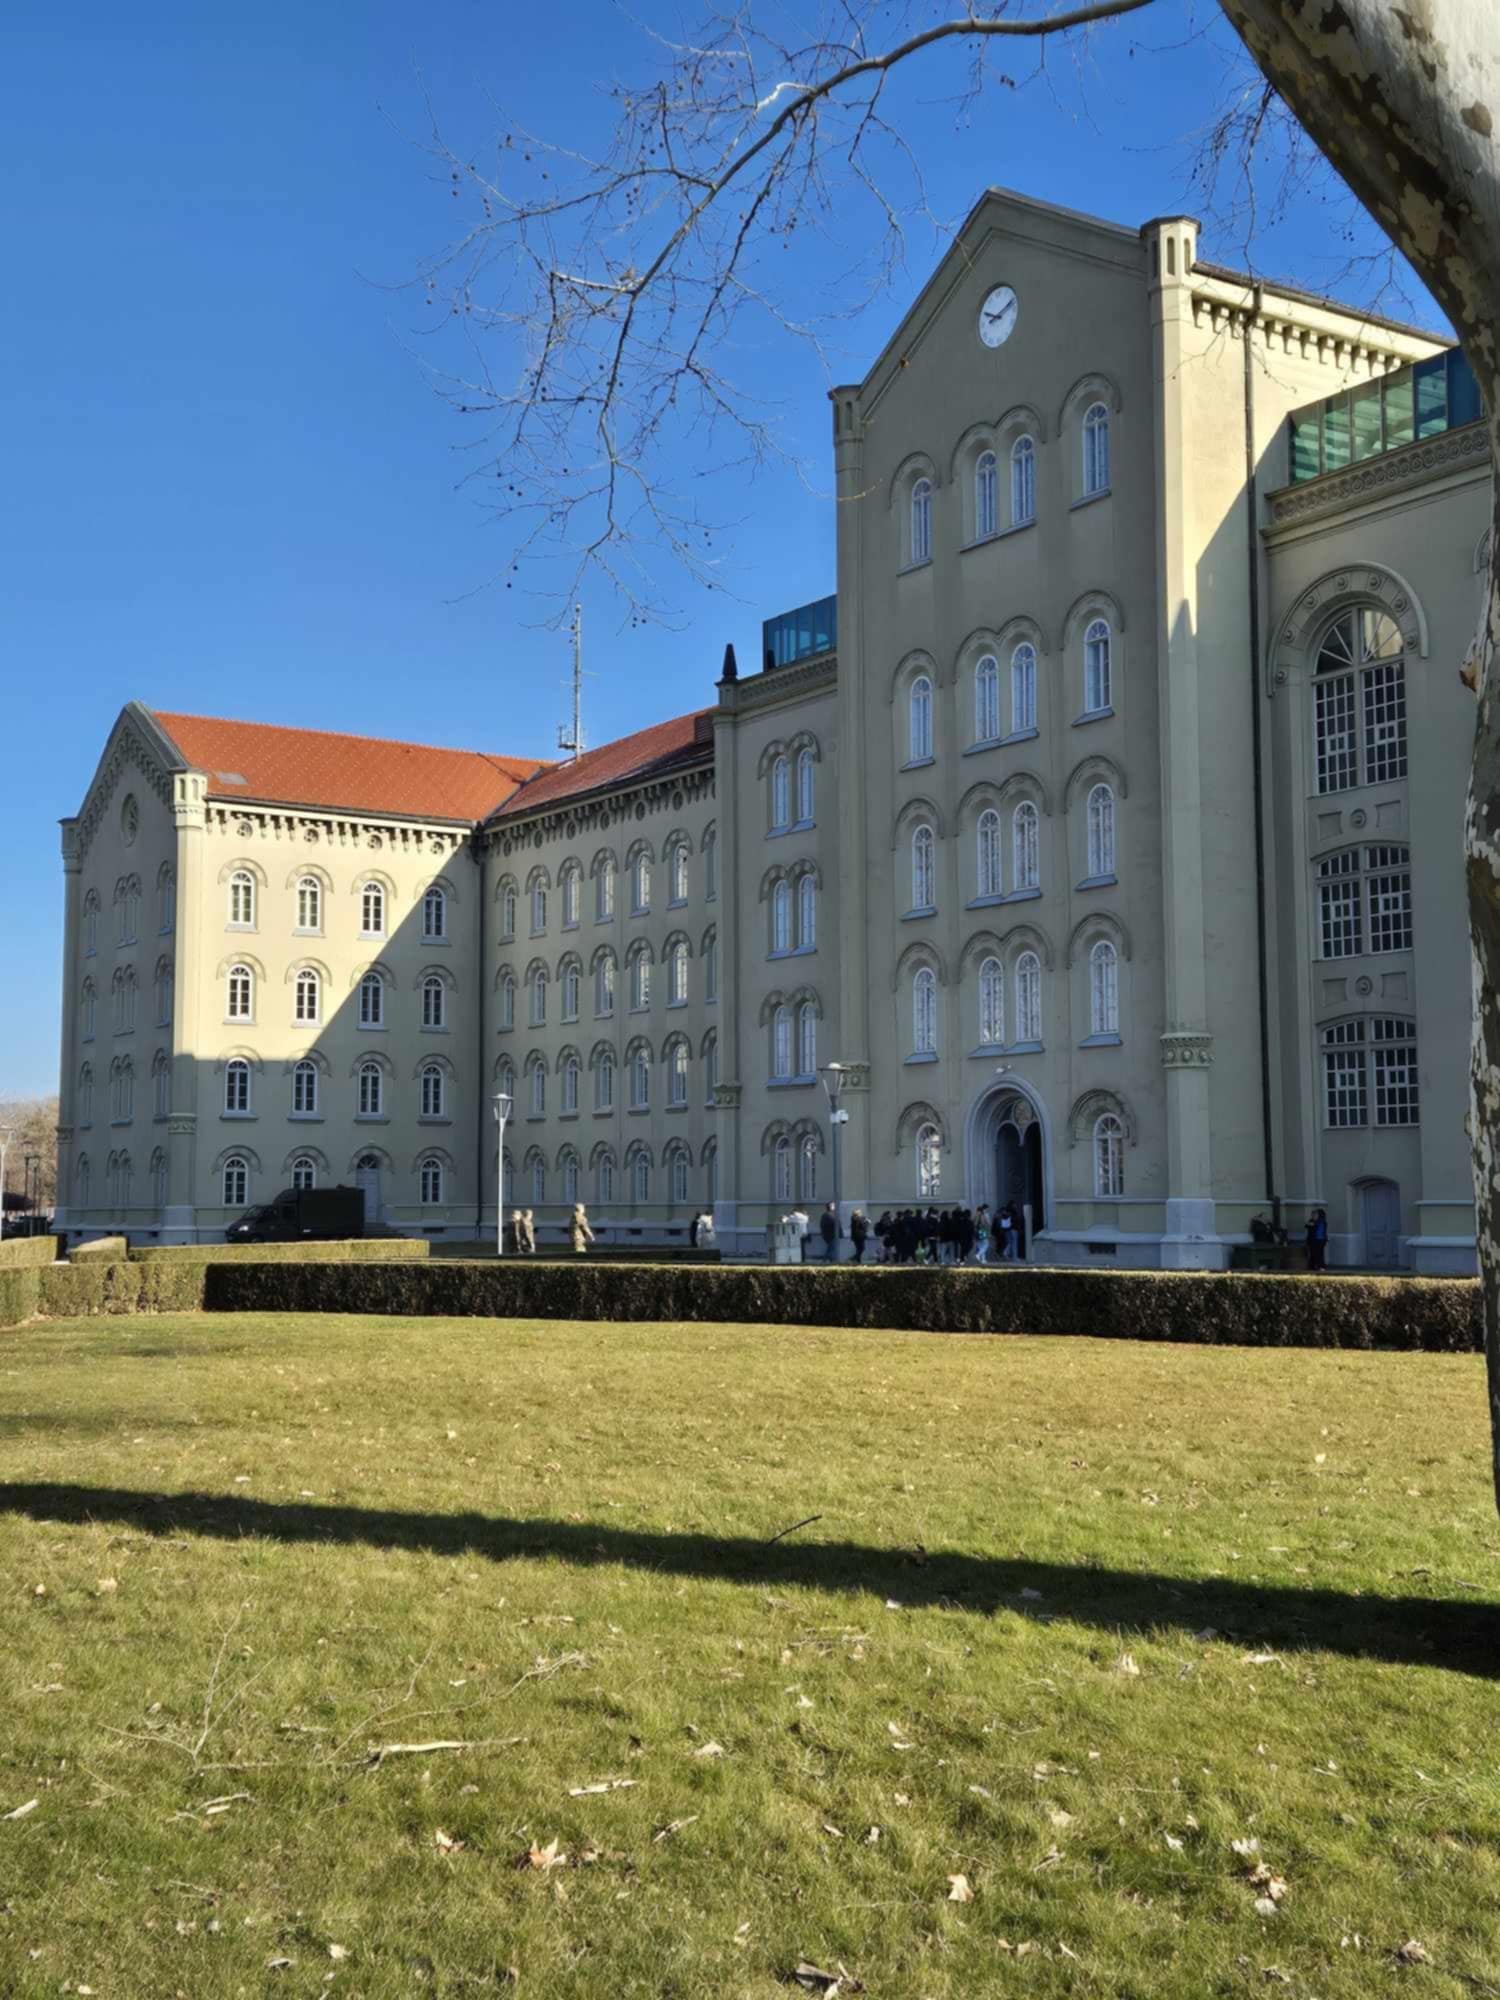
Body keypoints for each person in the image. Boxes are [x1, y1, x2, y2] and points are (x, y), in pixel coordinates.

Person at [1305, 1207, 1329, 1272]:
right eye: (1313, 1214)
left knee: (1318, 1254)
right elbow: (1307, 1225)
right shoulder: (1313, 1221)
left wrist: (1311, 1224)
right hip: (1314, 1240)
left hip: (1319, 1240)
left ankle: (1320, 1266)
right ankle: (1314, 1266)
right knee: (1314, 1254)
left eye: (1315, 1214)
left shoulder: (1321, 1221)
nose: (1314, 1216)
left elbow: (1313, 1225)